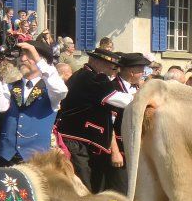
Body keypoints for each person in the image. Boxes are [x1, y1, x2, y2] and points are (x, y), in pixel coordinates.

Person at [57, 48, 135, 192]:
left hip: (84, 140)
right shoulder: (92, 78)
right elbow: (118, 99)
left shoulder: (83, 75)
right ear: (95, 61)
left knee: (93, 183)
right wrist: (140, 98)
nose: (113, 71)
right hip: (77, 141)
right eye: (110, 66)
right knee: (83, 184)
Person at [0, 40, 68, 166]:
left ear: (42, 60)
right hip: (7, 157)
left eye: (28, 55)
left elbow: (61, 90)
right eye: (21, 54)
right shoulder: (9, 86)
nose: (22, 58)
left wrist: (39, 61)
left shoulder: (50, 89)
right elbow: (0, 107)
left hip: (38, 160)